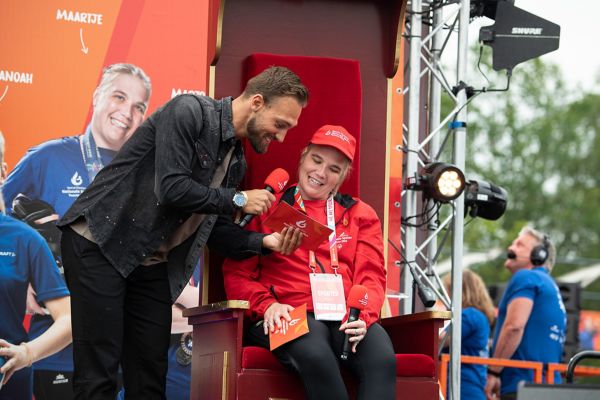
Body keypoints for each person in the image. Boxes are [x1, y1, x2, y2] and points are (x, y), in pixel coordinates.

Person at [57, 66, 308, 399]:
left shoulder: (236, 162)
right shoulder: (188, 111)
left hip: (149, 264)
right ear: (258, 102)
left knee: (150, 375)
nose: (281, 138)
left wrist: (264, 242)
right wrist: (236, 198)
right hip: (100, 242)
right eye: (281, 125)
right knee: (98, 373)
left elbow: (212, 227)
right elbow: (172, 187)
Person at [2, 63, 151, 399]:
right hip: (56, 353)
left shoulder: (144, 176)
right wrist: (21, 276)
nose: (127, 112)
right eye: (119, 96)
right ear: (97, 96)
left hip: (120, 353)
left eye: (138, 106)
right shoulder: (48, 157)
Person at [223, 125, 397, 400]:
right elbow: (237, 274)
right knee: (316, 354)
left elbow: (372, 277)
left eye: (334, 169)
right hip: (285, 313)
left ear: (342, 177)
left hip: (343, 315)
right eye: (316, 160)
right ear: (303, 157)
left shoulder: (360, 214)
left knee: (381, 358)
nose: (320, 173)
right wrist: (267, 305)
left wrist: (364, 317)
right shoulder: (269, 204)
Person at [0, 131, 72, 399]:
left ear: (3, 172)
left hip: (9, 381)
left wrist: (27, 353)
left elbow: (68, 320)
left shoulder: (25, 239)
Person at [485, 227, 566, 400]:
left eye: (519, 244)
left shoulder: (527, 277)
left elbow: (514, 326)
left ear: (539, 255)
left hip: (523, 385)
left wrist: (493, 372)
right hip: (550, 386)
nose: (511, 248)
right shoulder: (551, 286)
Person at [442, 270, 495, 400]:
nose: (446, 296)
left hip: (462, 386)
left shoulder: (469, 315)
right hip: (472, 385)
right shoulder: (480, 316)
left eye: (448, 290)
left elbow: (441, 340)